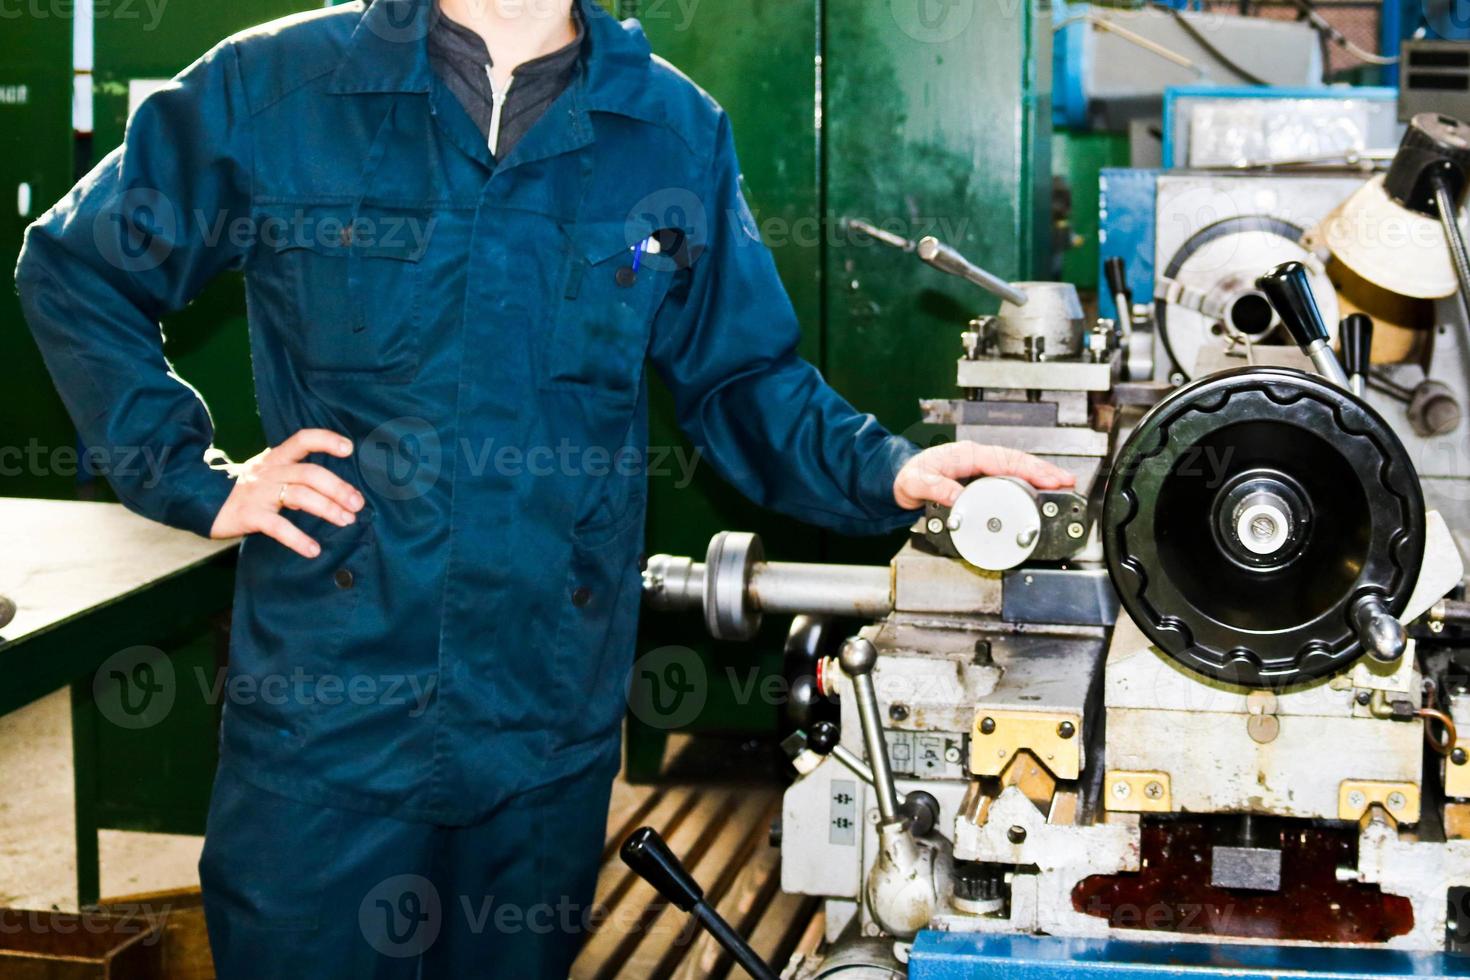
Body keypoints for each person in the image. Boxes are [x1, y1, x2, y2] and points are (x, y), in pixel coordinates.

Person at [14, 0, 1074, 975]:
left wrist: (889, 468)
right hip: (329, 712)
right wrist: (193, 474)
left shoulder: (667, 129)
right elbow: (75, 266)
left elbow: (740, 376)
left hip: (543, 720)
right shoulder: (277, 89)